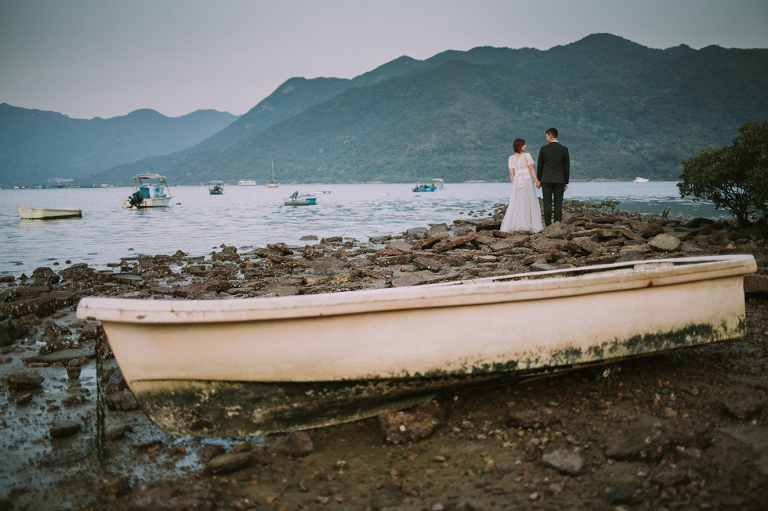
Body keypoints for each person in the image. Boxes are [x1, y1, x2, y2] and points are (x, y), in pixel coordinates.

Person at [500, 138, 543, 233]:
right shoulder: (527, 155)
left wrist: (513, 185)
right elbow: (531, 169)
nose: (525, 146)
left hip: (517, 182)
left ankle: (517, 223)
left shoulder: (511, 158)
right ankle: (529, 224)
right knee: (528, 200)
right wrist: (536, 181)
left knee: (517, 202)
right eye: (524, 144)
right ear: (520, 146)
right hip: (526, 180)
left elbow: (511, 173)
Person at [536, 127, 570, 226]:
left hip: (546, 180)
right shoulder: (564, 149)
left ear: (550, 136)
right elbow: (566, 166)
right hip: (560, 180)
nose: (546, 138)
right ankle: (557, 224)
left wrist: (539, 180)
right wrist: (566, 181)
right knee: (558, 203)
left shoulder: (543, 149)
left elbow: (540, 165)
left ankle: (548, 225)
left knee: (547, 203)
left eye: (547, 136)